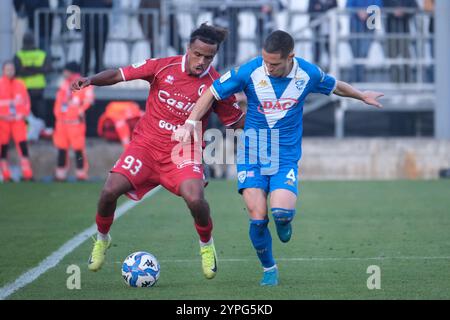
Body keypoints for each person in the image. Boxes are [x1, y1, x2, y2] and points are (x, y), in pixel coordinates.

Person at [174, 30, 383, 286]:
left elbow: (335, 85)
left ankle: (284, 222)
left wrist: (362, 95)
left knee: (282, 213)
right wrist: (191, 121)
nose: (268, 67)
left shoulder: (308, 74)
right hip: (253, 153)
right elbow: (211, 92)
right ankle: (269, 268)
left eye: (274, 63)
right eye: (265, 61)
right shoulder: (250, 71)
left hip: (285, 156)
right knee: (258, 216)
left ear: (290, 57)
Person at [71, 24, 245, 279]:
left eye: (209, 57)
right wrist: (91, 80)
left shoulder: (217, 85)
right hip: (146, 147)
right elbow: (120, 74)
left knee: (196, 199)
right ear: (189, 48)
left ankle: (206, 246)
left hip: (183, 152)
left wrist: (265, 112)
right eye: (198, 54)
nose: (202, 61)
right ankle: (101, 239)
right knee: (109, 191)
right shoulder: (163, 66)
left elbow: (235, 123)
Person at [53, 62, 94, 181]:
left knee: (78, 149)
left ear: (71, 71)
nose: (63, 73)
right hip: (62, 123)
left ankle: (81, 174)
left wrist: (81, 110)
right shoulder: (63, 84)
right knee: (61, 148)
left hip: (75, 123)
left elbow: (89, 100)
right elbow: (58, 103)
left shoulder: (83, 84)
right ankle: (60, 175)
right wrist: (58, 117)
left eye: (65, 71)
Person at [0, 61, 33, 182]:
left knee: (23, 146)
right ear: (3, 70)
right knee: (3, 147)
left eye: (11, 69)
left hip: (18, 120)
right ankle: (6, 175)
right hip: (3, 121)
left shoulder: (20, 84)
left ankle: (27, 174)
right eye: (7, 69)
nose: (10, 71)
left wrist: (23, 114)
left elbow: (26, 102)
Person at [14, 32, 52, 130]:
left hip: (22, 87)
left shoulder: (19, 55)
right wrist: (37, 70)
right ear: (34, 42)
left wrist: (28, 68)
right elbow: (47, 69)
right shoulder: (41, 54)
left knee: (24, 110)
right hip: (37, 87)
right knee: (39, 110)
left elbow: (18, 71)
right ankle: (41, 130)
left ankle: (26, 130)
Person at [346, 0, 383, 83]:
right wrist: (357, 12)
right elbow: (348, 6)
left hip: (369, 26)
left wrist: (368, 13)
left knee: (363, 53)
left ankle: (359, 79)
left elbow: (378, 6)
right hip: (355, 26)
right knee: (355, 53)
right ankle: (355, 80)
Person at [73, 0, 113, 75]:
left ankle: (99, 76)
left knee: (100, 53)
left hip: (101, 26)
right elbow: (75, 6)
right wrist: (76, 25)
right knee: (87, 52)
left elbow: (109, 6)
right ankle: (83, 76)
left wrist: (109, 3)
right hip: (88, 25)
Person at [308, 0, 338, 66]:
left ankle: (330, 69)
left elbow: (335, 10)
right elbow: (310, 9)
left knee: (330, 51)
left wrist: (320, 7)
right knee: (317, 52)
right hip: (317, 29)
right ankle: (316, 70)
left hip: (329, 29)